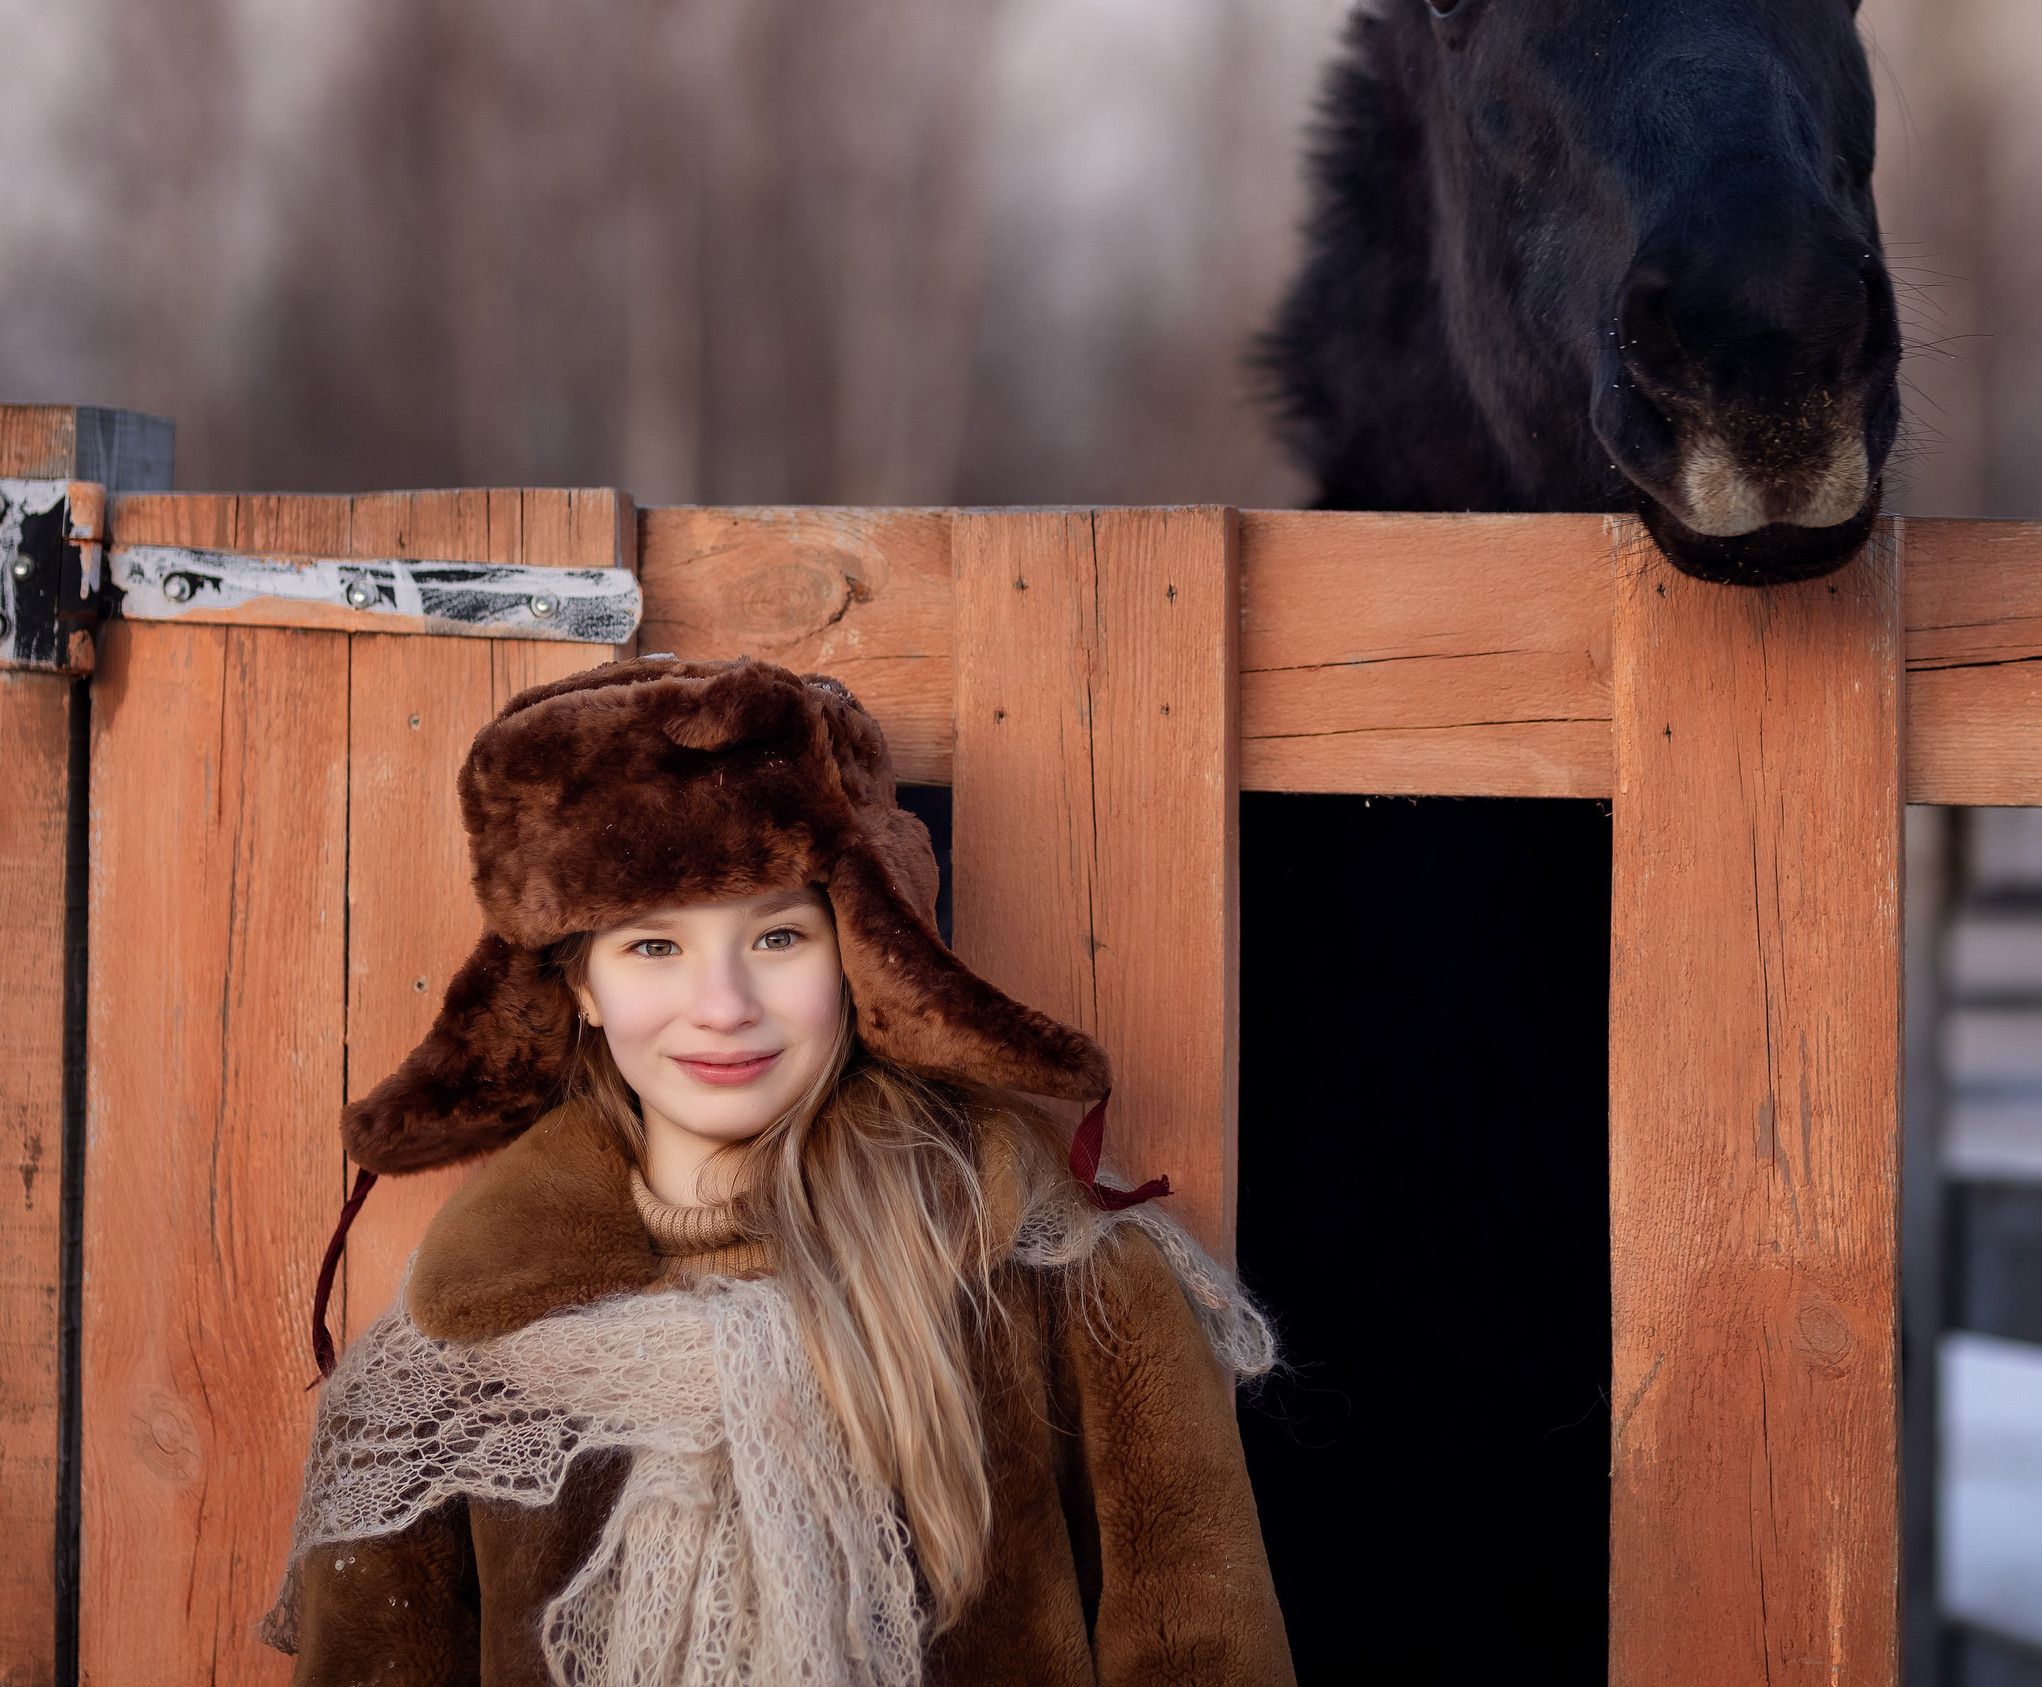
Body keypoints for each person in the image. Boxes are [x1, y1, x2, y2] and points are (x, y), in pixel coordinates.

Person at [261, 655, 1293, 1686]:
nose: (723, 1005)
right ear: (579, 986)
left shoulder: (1072, 1290)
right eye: (654, 947)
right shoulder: (445, 1369)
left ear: (859, 957)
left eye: (779, 935)